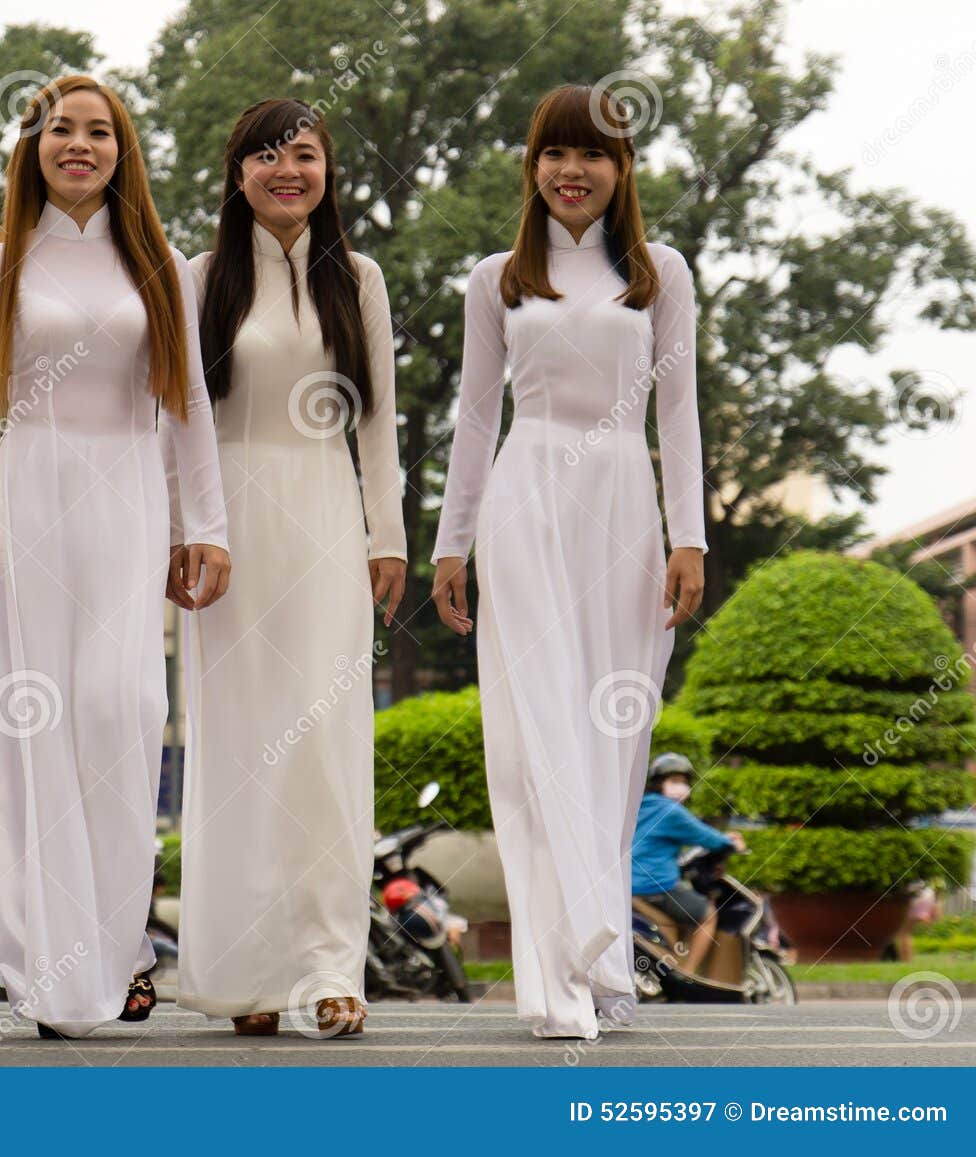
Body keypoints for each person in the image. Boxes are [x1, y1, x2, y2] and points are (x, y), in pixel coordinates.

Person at [0, 74, 230, 1040]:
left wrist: (207, 526)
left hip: (130, 509)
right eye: (60, 129)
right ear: (34, 149)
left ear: (122, 150)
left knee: (125, 714)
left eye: (98, 132)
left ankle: (117, 946)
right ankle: (47, 964)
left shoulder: (162, 268)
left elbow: (185, 405)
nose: (79, 145)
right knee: (32, 731)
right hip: (29, 507)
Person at [430, 84, 709, 1040]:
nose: (572, 171)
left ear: (623, 169)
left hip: (626, 506)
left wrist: (689, 536)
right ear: (532, 166)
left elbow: (679, 415)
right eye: (554, 153)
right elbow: (474, 418)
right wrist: (449, 543)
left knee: (613, 727)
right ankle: (554, 978)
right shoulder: (498, 277)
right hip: (528, 500)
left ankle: (605, 956)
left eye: (593, 154)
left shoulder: (659, 272)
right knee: (533, 731)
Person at [170, 98, 405, 1040]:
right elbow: (178, 418)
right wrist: (185, 528)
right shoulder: (199, 279)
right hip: (227, 529)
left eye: (303, 156)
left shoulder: (360, 278)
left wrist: (386, 534)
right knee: (235, 746)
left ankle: (329, 967)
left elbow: (379, 418)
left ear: (326, 172)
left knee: (324, 738)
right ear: (237, 175)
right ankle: (244, 974)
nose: (286, 172)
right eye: (265, 157)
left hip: (325, 518)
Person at [632, 752, 745, 975]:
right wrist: (731, 843)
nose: (680, 787)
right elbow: (706, 837)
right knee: (707, 914)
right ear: (659, 783)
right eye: (674, 781)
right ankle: (689, 973)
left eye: (684, 782)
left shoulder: (640, 806)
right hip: (653, 885)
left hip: (628, 884)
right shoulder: (670, 811)